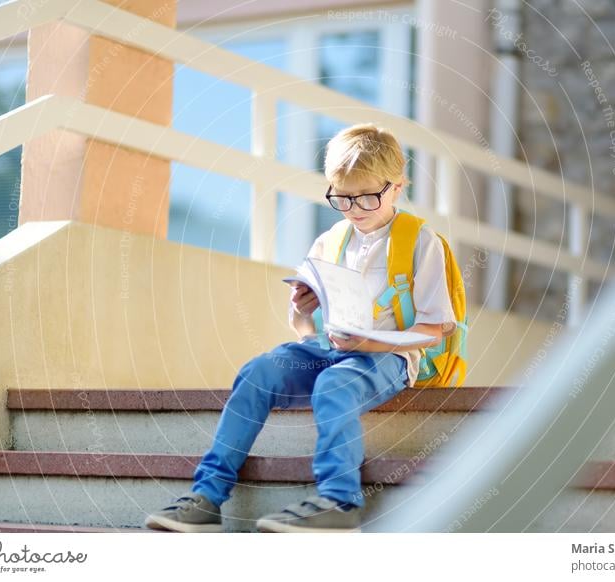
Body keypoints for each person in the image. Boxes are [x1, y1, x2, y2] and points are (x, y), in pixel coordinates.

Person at [144, 122, 456, 533]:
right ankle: (207, 496)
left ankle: (339, 502)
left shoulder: (421, 241)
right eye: (341, 198)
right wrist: (304, 315)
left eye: (367, 196)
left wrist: (370, 343)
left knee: (335, 384)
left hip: (389, 358)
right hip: (332, 351)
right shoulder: (332, 239)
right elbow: (307, 327)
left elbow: (437, 328)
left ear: (398, 186)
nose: (355, 209)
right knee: (258, 373)